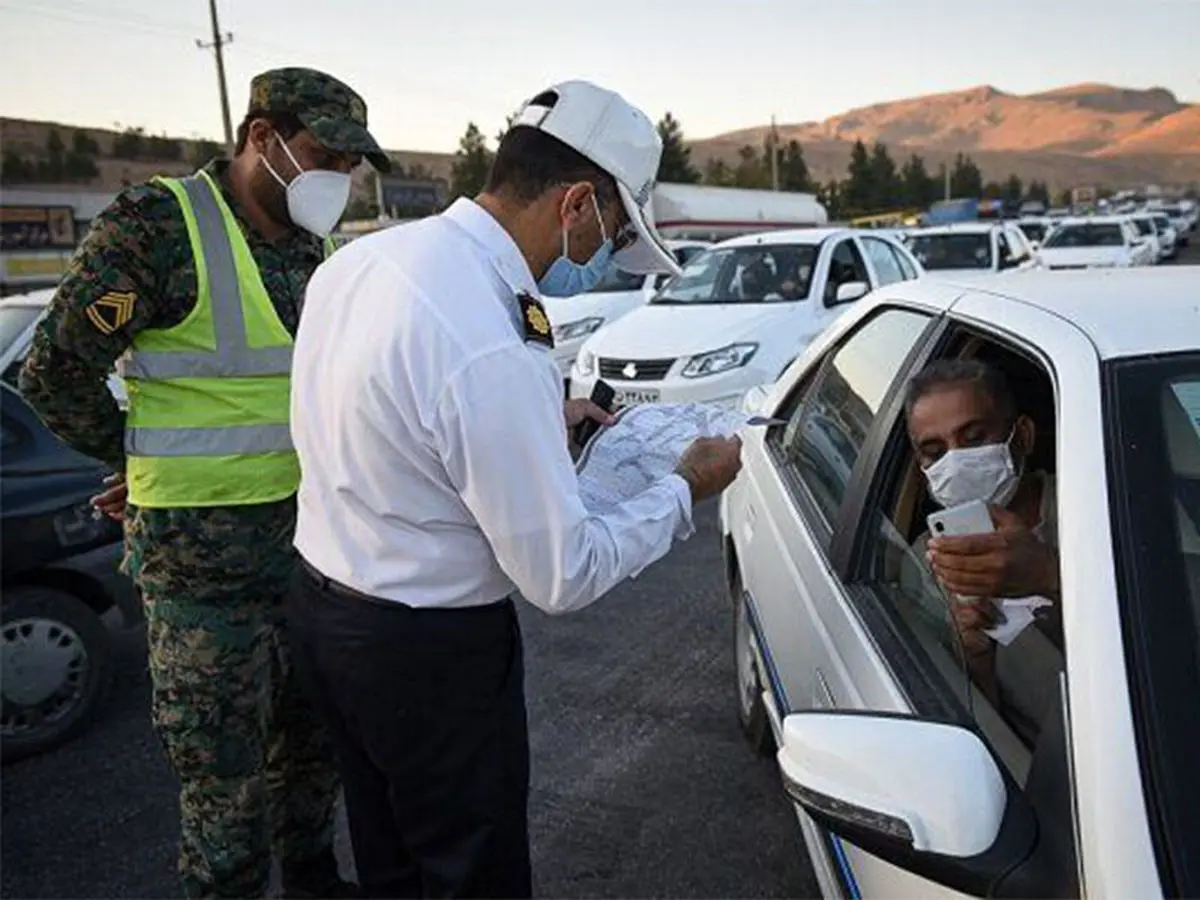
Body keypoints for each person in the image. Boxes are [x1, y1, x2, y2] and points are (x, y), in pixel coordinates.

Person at [285, 79, 743, 898]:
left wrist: (533, 422)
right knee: (470, 874)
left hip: (327, 613)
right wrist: (683, 486)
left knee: (389, 854)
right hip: (427, 658)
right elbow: (561, 575)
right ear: (575, 204)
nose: (603, 256)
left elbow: (385, 419)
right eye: (612, 231)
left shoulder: (367, 260)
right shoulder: (492, 338)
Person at [19, 67, 391, 899]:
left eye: (350, 162)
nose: (341, 175)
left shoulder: (315, 248)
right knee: (223, 783)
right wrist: (135, 461)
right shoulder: (158, 226)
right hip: (203, 577)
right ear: (263, 138)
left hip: (314, 554)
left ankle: (314, 877)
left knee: (314, 745)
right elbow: (53, 372)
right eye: (324, 153)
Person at [904, 358, 1062, 738]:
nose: (955, 462)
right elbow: (969, 732)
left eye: (974, 438)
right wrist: (975, 655)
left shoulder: (1098, 504)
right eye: (934, 450)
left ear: (1022, 435)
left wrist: (1050, 576)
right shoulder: (929, 564)